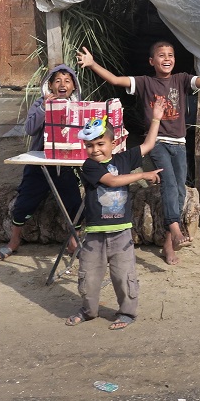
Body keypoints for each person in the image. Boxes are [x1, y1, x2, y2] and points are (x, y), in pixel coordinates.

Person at [76, 42, 200, 264]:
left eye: (170, 55)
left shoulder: (182, 79)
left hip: (179, 144)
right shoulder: (144, 82)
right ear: (152, 61)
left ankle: (168, 244)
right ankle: (175, 226)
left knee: (180, 190)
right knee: (169, 183)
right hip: (157, 142)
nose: (167, 58)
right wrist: (92, 63)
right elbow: (115, 79)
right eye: (161, 55)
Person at [65, 98, 165, 330]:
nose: (95, 149)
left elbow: (149, 144)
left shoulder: (124, 159)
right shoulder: (89, 167)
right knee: (88, 278)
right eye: (89, 145)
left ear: (113, 142)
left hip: (121, 234)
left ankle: (127, 313)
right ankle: (88, 311)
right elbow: (111, 182)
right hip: (94, 235)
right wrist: (142, 175)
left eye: (100, 143)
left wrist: (156, 117)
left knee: (124, 276)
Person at [0, 65, 83, 262]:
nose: (62, 84)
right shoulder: (41, 103)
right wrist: (43, 109)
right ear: (50, 85)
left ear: (74, 86)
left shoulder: (78, 107)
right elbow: (31, 128)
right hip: (39, 163)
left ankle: (73, 241)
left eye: (67, 81)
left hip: (65, 165)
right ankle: (14, 241)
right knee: (25, 202)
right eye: (57, 80)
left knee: (73, 201)